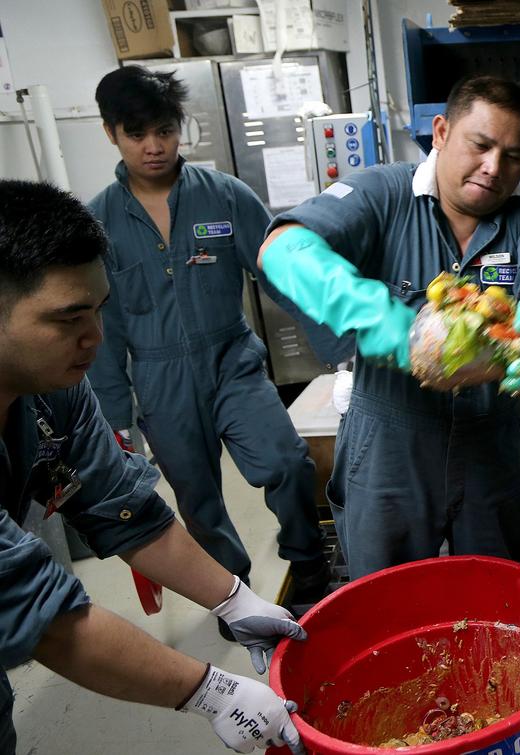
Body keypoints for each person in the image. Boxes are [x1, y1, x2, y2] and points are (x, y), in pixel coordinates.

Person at [0, 179, 305, 754]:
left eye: (99, 310)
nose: (95, 337)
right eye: (68, 319)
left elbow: (127, 510)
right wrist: (209, 691)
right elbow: (40, 615)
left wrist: (235, 599)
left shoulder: (54, 391)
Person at [256, 76, 520, 580]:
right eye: (481, 145)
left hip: (490, 446)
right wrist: (382, 320)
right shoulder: (381, 194)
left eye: (514, 156)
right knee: (385, 597)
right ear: (441, 132)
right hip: (388, 445)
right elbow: (282, 249)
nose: (494, 168)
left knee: (494, 594)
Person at [86, 65, 334, 617]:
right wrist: (114, 419)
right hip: (158, 379)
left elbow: (280, 275)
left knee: (287, 463)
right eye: (137, 134)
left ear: (180, 128)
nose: (154, 147)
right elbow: (102, 330)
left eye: (165, 131)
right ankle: (236, 596)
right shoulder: (98, 221)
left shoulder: (225, 197)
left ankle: (309, 563)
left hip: (233, 363)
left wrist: (338, 346)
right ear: (111, 133)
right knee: (198, 502)